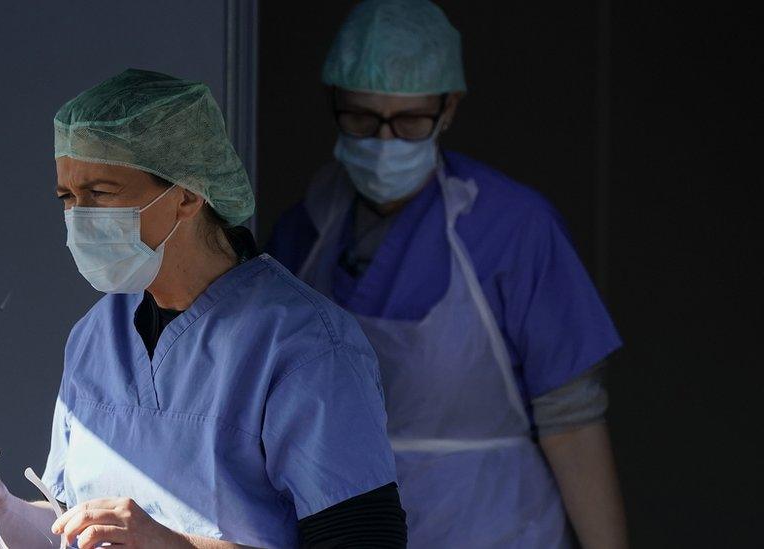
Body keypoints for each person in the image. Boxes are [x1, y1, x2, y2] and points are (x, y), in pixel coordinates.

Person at [0, 69, 407, 548]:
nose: (79, 217)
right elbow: (75, 524)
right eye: (68, 197)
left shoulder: (306, 346)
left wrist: (176, 546)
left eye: (100, 194)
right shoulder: (99, 333)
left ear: (186, 193)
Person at [267, 1, 629, 547]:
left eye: (410, 121)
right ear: (334, 103)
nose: (384, 142)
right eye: (362, 119)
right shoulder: (305, 230)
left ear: (449, 108)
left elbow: (572, 423)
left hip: (493, 529)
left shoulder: (512, 229)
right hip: (346, 531)